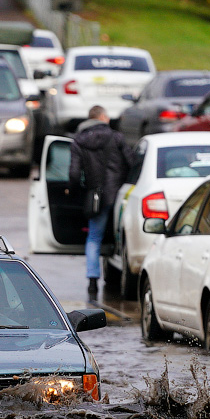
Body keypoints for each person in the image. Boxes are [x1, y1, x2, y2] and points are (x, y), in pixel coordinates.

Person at [69, 105, 136, 300]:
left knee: (94, 237)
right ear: (103, 117)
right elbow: (131, 162)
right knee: (122, 235)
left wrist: (72, 191)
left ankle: (92, 281)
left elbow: (74, 173)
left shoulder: (79, 141)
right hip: (119, 194)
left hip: (96, 196)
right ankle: (123, 274)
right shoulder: (116, 137)